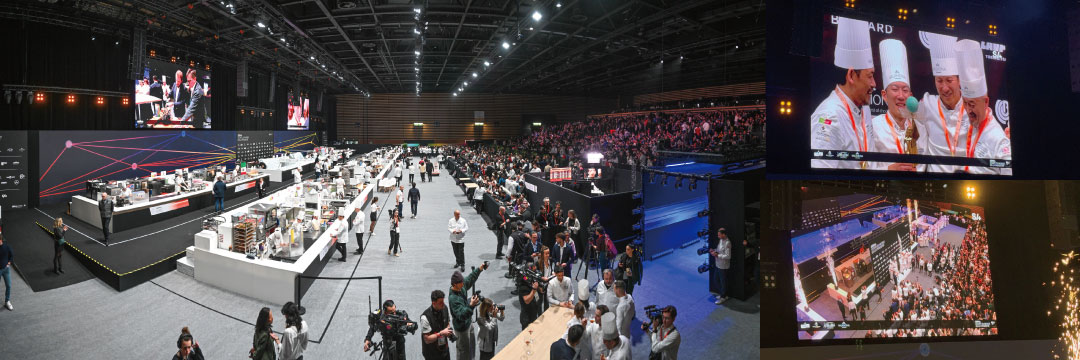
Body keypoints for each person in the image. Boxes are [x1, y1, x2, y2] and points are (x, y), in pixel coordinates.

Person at [810, 16, 877, 169]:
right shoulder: (829, 116)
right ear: (851, 75)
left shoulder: (864, 109)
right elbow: (821, 172)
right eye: (870, 76)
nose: (874, 84)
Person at [954, 39, 1011, 175]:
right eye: (965, 103)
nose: (968, 110)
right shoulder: (964, 120)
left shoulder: (997, 138)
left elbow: (1008, 171)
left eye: (972, 104)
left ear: (986, 102)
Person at [869, 39, 926, 171]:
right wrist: (889, 170)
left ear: (910, 96)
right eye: (895, 89)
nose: (901, 96)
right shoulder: (873, 127)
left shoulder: (920, 128)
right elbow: (864, 166)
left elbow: (924, 163)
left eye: (905, 90)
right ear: (884, 95)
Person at [915, 32, 967, 174]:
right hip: (934, 178)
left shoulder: (971, 107)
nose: (944, 88)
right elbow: (903, 121)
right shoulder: (927, 104)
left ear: (959, 80)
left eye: (949, 80)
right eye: (939, 81)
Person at [449, 263, 487, 360]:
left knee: (471, 347)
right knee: (463, 352)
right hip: (461, 328)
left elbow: (470, 278)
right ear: (455, 284)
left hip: (468, 322)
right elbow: (462, 315)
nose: (463, 284)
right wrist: (471, 305)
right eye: (461, 283)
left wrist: (480, 269)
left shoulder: (460, 286)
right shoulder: (453, 299)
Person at [421, 290, 454, 360]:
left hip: (444, 351)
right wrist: (441, 333)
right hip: (431, 354)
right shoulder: (425, 317)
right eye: (440, 303)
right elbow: (427, 339)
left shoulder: (444, 308)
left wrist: (448, 331)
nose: (443, 304)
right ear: (434, 303)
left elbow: (447, 322)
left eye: (443, 301)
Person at [517, 261, 545, 329]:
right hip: (526, 316)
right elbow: (527, 300)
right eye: (534, 270)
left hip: (534, 312)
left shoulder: (532, 280)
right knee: (527, 334)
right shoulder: (523, 285)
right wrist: (534, 290)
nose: (536, 272)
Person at [709, 228, 732, 304]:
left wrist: (717, 255)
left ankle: (723, 297)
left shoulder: (728, 243)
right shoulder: (721, 240)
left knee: (723, 282)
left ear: (724, 234)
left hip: (723, 266)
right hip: (718, 264)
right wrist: (714, 250)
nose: (718, 236)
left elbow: (728, 256)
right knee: (716, 280)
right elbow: (719, 250)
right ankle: (723, 294)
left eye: (719, 235)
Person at [0, 234, 12, 310]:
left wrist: (9, 263)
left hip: (6, 269)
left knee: (9, 285)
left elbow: (11, 255)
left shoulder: (6, 246)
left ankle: (7, 301)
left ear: (0, 240)